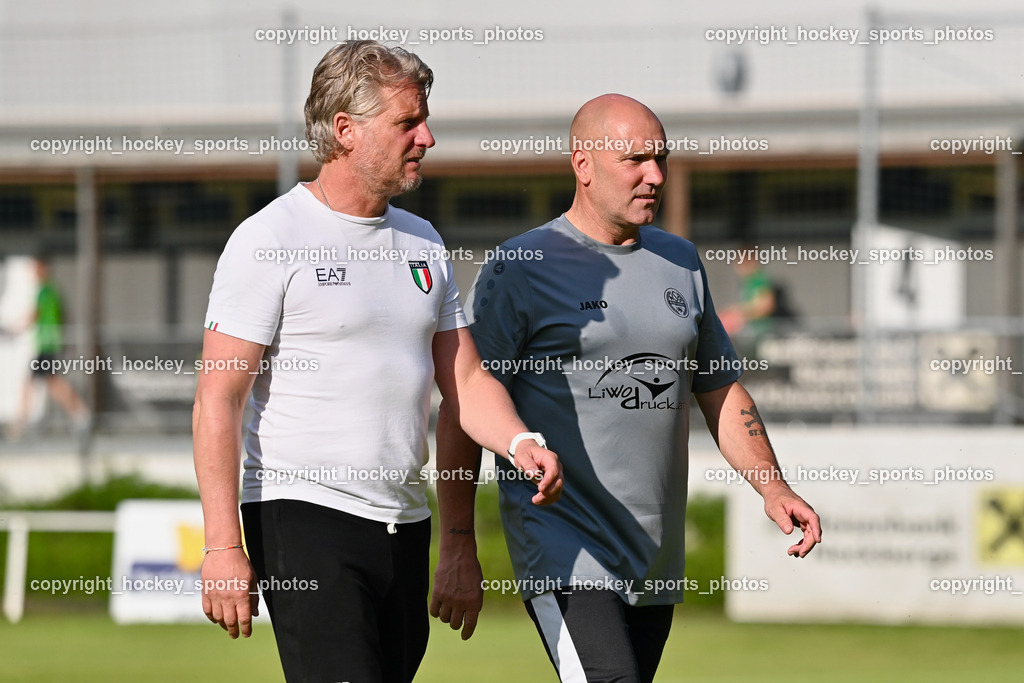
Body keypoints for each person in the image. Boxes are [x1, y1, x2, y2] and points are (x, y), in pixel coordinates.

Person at [192, 40, 562, 683]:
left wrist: (518, 441)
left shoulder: (423, 242)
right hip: (302, 515)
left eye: (424, 119)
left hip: (402, 522)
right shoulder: (268, 239)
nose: (427, 137)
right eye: (407, 123)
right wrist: (224, 546)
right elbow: (216, 400)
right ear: (345, 130)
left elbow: (466, 379)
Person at [430, 94, 821, 683]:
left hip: (653, 557)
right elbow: (467, 397)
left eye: (661, 158)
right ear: (582, 165)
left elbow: (718, 388)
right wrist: (458, 540)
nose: (655, 176)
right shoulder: (523, 265)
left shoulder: (681, 260)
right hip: (564, 548)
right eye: (635, 159)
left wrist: (772, 485)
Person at [8, 254, 91, 441]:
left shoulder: (46, 291)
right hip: (50, 344)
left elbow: (33, 316)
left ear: (43, 267)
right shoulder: (52, 291)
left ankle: (22, 424)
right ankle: (80, 415)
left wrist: (13, 330)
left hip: (48, 344)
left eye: (35, 267)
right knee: (48, 384)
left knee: (43, 384)